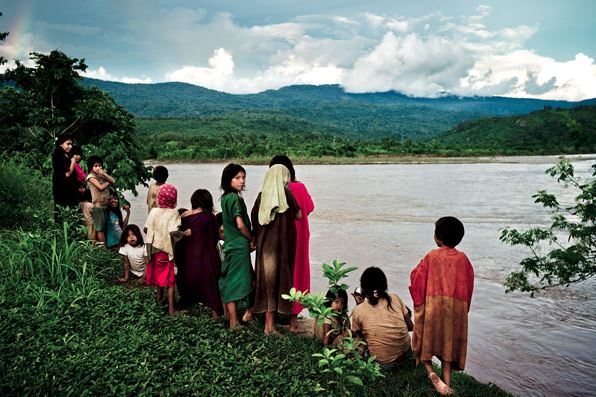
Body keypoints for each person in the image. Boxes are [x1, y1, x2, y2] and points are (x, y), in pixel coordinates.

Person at [409, 217, 474, 396]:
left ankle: (431, 373)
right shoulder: (463, 259)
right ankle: (446, 381)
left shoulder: (431, 256)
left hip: (433, 307)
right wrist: (463, 310)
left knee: (426, 345)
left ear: (438, 237)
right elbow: (469, 286)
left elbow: (417, 278)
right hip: (454, 310)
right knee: (447, 346)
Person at [251, 164, 302, 335]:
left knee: (267, 284)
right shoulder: (286, 193)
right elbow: (299, 214)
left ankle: (268, 324)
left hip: (264, 249)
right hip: (281, 249)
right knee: (278, 283)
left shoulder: (261, 196)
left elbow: (254, 218)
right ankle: (270, 327)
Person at [269, 155, 314, 332]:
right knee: (298, 273)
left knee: (279, 273)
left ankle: (275, 316)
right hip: (301, 237)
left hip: (280, 239)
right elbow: (309, 208)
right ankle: (294, 322)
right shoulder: (300, 187)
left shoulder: (275, 189)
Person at [351, 267, 413, 369]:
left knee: (356, 342)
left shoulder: (358, 310)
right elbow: (411, 327)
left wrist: (358, 305)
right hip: (405, 356)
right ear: (384, 285)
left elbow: (357, 336)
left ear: (363, 288)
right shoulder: (395, 298)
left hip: (382, 363)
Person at [176, 189, 223, 318]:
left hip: (188, 259)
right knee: (212, 284)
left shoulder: (184, 217)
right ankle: (215, 311)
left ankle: (186, 302)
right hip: (207, 258)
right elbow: (215, 238)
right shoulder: (210, 217)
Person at [145, 183, 191, 315]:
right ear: (174, 199)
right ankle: (171, 309)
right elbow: (173, 232)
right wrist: (185, 233)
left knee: (160, 276)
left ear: (160, 198)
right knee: (170, 281)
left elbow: (146, 228)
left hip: (153, 248)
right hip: (165, 250)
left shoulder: (153, 211)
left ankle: (158, 300)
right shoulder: (173, 213)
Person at [218, 164, 255, 329]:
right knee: (239, 281)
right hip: (239, 246)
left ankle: (235, 317)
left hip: (230, 244)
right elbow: (240, 224)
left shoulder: (225, 198)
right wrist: (251, 238)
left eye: (243, 178)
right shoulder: (234, 199)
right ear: (229, 179)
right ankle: (235, 321)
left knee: (230, 280)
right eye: (237, 178)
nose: (242, 181)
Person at [86, 155, 115, 244]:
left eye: (100, 165)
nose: (98, 168)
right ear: (91, 167)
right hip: (98, 207)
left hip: (104, 205)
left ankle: (93, 247)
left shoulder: (101, 175)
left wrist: (105, 175)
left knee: (97, 228)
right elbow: (101, 187)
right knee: (100, 230)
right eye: (96, 166)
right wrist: (108, 181)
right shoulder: (91, 177)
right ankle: (103, 249)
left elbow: (113, 181)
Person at [51, 135, 79, 219]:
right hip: (63, 189)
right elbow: (67, 174)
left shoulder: (64, 154)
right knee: (64, 212)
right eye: (68, 144)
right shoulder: (59, 155)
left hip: (66, 188)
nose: (70, 146)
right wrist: (73, 162)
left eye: (71, 144)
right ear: (60, 144)